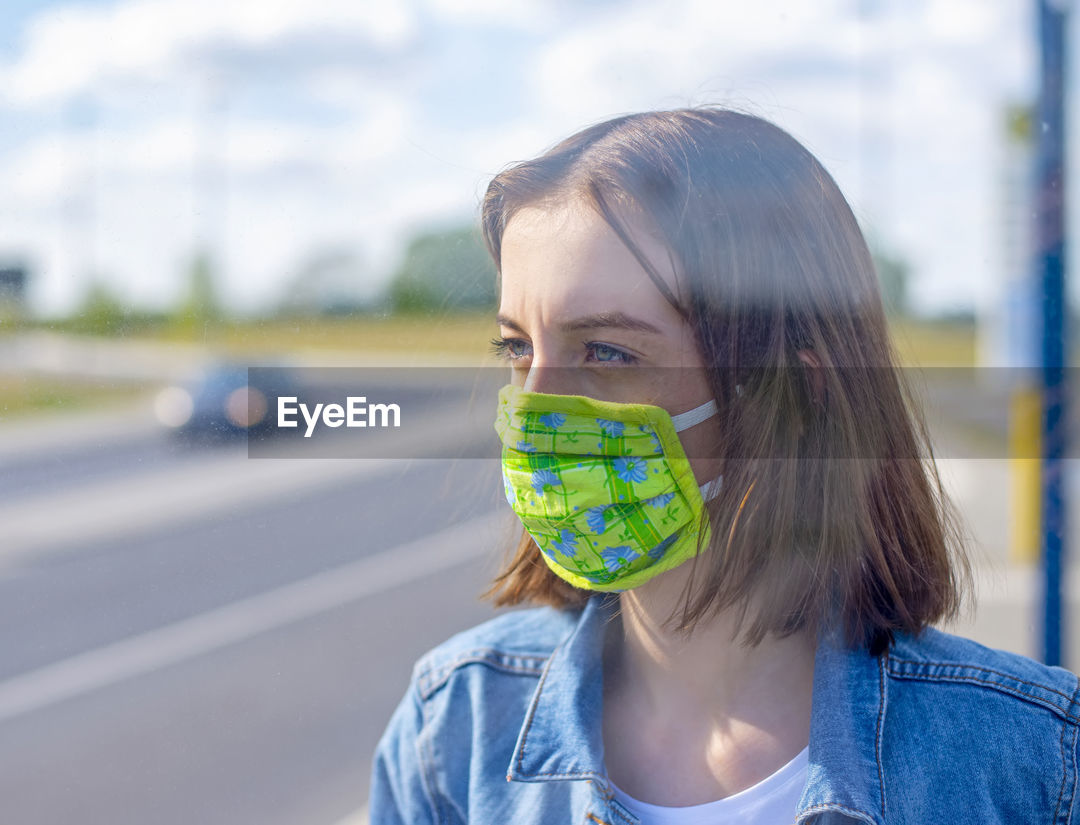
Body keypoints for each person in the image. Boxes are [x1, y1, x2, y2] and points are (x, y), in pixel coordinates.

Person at [368, 108, 1080, 825]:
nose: (533, 408)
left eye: (607, 352)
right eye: (517, 349)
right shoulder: (452, 729)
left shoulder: (1029, 765)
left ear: (794, 392)